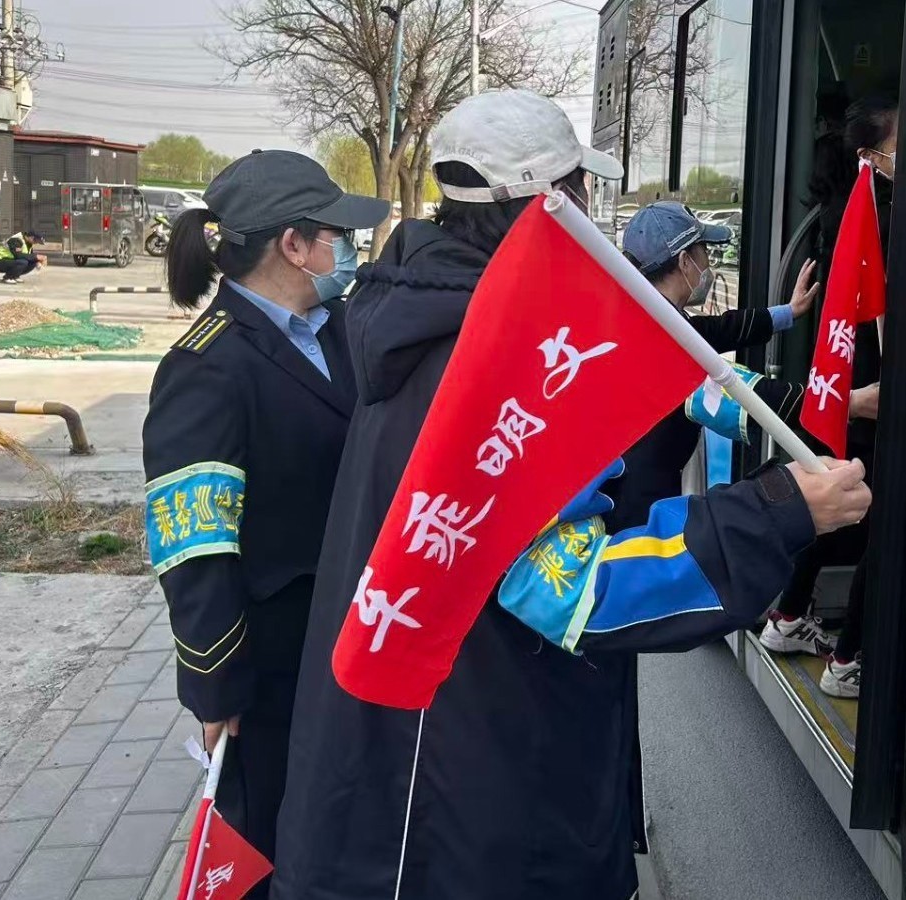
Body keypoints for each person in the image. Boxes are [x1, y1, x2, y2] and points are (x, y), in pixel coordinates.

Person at [273, 89, 873, 900]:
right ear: (552, 204)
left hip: (411, 770)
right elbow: (581, 593)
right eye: (585, 192)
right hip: (477, 795)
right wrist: (783, 511)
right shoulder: (503, 359)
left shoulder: (409, 304)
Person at [141, 150, 388, 895]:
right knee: (270, 838)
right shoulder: (207, 368)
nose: (346, 252)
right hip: (274, 658)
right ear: (293, 245)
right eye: (335, 235)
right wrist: (216, 685)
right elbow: (195, 547)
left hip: (349, 633)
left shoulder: (338, 330)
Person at [608, 200, 878, 530]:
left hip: (620, 490)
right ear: (684, 261)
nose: (708, 262)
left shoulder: (641, 317)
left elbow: (716, 329)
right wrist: (849, 403)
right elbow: (755, 398)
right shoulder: (668, 347)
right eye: (704, 250)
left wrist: (787, 313)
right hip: (637, 513)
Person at [764, 92, 898, 698]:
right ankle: (849, 658)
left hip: (843, 383)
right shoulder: (878, 213)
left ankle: (790, 615)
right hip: (867, 390)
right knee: (881, 519)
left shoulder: (843, 208)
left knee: (842, 499)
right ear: (871, 154)